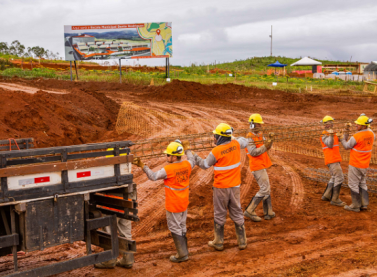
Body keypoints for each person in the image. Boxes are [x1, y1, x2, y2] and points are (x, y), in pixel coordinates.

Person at [185, 123, 248, 251]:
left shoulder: (216, 151)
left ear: (220, 137)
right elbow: (244, 141)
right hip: (235, 186)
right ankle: (242, 241)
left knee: (220, 213)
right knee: (237, 211)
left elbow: (204, 165)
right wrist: (232, 137)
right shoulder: (236, 144)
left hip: (221, 188)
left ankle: (218, 241)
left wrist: (193, 155)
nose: (214, 138)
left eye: (215, 136)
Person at [133, 140, 195, 263]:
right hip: (183, 203)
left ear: (173, 156)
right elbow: (192, 160)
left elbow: (153, 176)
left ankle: (182, 254)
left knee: (175, 227)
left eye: (167, 155)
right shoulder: (187, 165)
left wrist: (142, 165)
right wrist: (187, 149)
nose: (166, 156)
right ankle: (184, 251)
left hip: (173, 205)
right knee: (182, 226)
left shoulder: (169, 169)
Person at [95, 148, 134, 269]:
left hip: (112, 206)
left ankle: (109, 260)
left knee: (109, 233)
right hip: (126, 205)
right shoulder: (127, 168)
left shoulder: (111, 170)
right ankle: (128, 259)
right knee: (125, 233)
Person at [339, 114, 375, 212]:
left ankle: (355, 205)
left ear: (363, 126)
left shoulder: (357, 136)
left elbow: (346, 146)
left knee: (353, 184)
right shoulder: (372, 133)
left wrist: (342, 138)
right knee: (362, 183)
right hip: (365, 164)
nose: (356, 126)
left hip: (355, 164)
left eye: (358, 125)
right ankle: (364, 204)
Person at [243, 114, 275, 222]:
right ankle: (250, 210)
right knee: (264, 188)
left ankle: (268, 212)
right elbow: (253, 152)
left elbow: (266, 146)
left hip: (262, 164)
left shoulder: (260, 134)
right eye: (258, 124)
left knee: (267, 187)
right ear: (252, 124)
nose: (260, 126)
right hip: (257, 166)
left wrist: (270, 141)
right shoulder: (249, 137)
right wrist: (265, 146)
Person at [320, 116, 346, 206]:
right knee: (340, 177)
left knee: (334, 177)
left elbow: (343, 139)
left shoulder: (332, 133)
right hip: (332, 159)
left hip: (334, 159)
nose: (332, 124)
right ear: (327, 124)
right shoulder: (324, 134)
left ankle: (326, 195)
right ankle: (335, 199)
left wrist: (345, 132)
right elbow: (330, 145)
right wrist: (331, 135)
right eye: (330, 122)